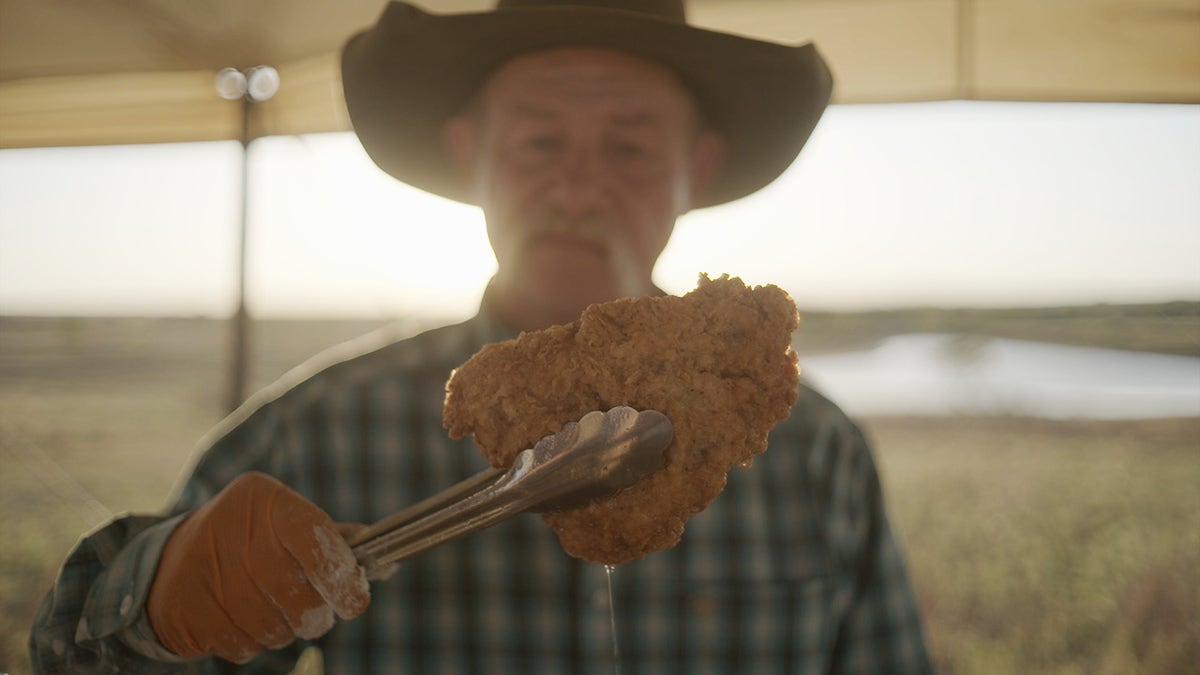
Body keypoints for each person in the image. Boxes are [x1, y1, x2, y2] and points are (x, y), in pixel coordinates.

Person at [31, 1, 934, 672]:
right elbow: (71, 648)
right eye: (539, 143)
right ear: (472, 156)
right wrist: (154, 593)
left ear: (695, 169)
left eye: (627, 149)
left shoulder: (816, 454)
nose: (578, 188)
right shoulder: (322, 429)